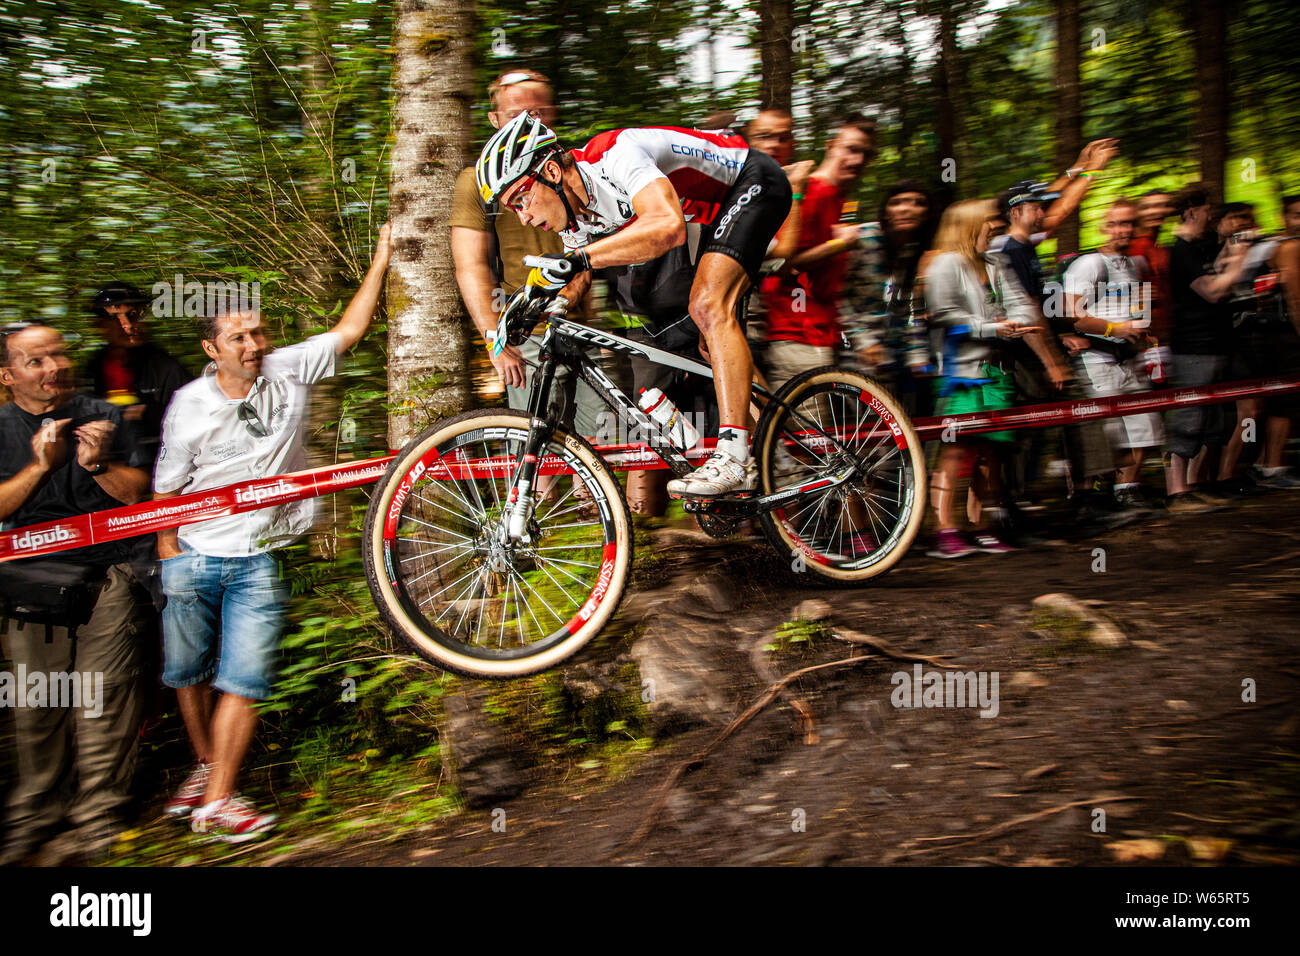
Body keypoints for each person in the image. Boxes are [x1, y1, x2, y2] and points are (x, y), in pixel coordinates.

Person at [152, 224, 391, 842]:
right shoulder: (187, 406)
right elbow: (164, 493)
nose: (254, 344)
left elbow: (350, 331)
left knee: (245, 676)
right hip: (197, 550)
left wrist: (384, 252)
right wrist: (170, 555)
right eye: (238, 337)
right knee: (188, 672)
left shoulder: (288, 367)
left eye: (257, 332)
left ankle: (221, 801)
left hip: (260, 553)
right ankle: (204, 770)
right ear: (213, 350)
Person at [475, 110, 792, 496]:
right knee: (710, 337)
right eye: (513, 209)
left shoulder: (615, 155)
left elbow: (667, 225)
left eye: (521, 199)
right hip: (714, 214)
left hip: (752, 181)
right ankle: (778, 444)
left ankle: (735, 456)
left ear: (552, 174)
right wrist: (531, 308)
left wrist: (579, 260)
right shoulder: (577, 219)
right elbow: (576, 279)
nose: (523, 218)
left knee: (707, 307)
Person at [0, 323, 153, 864]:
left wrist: (96, 464)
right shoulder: (0, 427)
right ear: (8, 374)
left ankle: (97, 821)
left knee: (103, 698)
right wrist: (39, 467)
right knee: (36, 706)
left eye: (58, 354)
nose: (53, 367)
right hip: (29, 587)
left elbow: (142, 496)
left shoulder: (104, 414)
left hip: (110, 575)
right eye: (35, 361)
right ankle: (34, 816)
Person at [450, 69, 602, 438]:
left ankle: (593, 499)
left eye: (536, 113)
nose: (526, 122)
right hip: (524, 332)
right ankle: (540, 499)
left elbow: (590, 244)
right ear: (495, 119)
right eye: (515, 114)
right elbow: (469, 265)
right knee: (535, 440)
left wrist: (571, 296)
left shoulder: (569, 169)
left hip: (582, 326)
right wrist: (495, 340)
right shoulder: (477, 181)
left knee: (601, 437)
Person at [920, 199, 1047, 557]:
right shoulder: (946, 264)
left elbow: (1020, 303)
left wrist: (1015, 323)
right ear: (969, 225)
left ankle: (982, 527)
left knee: (990, 451)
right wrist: (993, 326)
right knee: (955, 450)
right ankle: (945, 530)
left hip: (997, 371)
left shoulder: (995, 262)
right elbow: (944, 316)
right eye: (989, 220)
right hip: (962, 373)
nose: (995, 225)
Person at [761, 114, 876, 391]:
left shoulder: (840, 200)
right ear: (831, 145)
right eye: (851, 149)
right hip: (795, 336)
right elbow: (781, 263)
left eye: (866, 154)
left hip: (823, 337)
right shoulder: (810, 191)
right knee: (807, 434)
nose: (858, 160)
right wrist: (839, 245)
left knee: (820, 432)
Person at [1064, 198, 1165, 508]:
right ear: (1103, 228)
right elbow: (1072, 314)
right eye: (1116, 224)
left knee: (1143, 425)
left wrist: (1145, 337)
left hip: (1130, 358)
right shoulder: (1090, 264)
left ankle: (1127, 490)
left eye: (1129, 223)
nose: (1123, 230)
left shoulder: (1137, 264)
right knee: (1105, 430)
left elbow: (1142, 309)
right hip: (1097, 357)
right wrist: (1114, 329)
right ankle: (1090, 496)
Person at [1165, 186, 1251, 510]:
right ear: (1191, 211)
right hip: (1193, 347)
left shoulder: (1199, 247)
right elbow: (1213, 291)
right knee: (1188, 418)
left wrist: (1231, 250)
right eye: (1206, 210)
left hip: (1215, 344)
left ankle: (1192, 485)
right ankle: (1176, 493)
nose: (1210, 216)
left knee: (1210, 422)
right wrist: (1239, 259)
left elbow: (1220, 275)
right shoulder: (1181, 252)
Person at [85, 282, 192, 465]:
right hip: (108, 468)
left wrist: (149, 414)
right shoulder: (92, 370)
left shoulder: (166, 367)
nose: (127, 325)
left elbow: (192, 423)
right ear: (99, 325)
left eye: (132, 316)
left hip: (162, 465)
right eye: (114, 319)